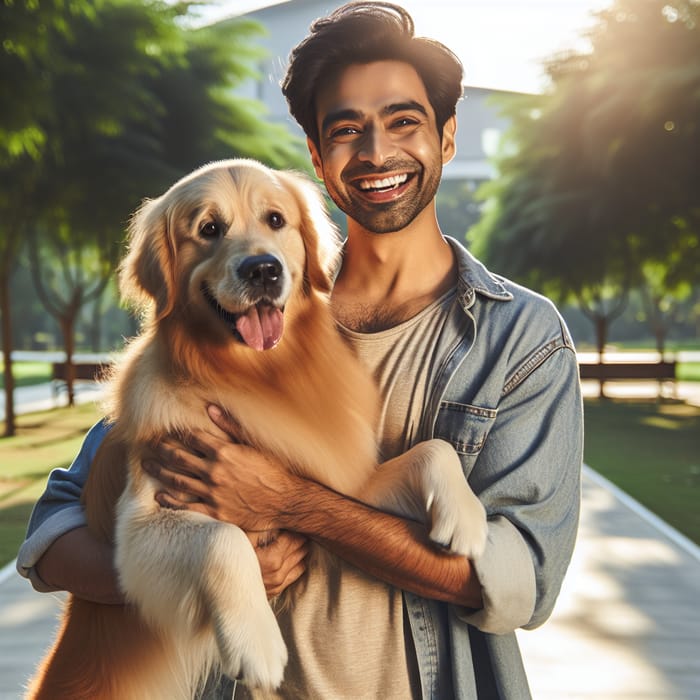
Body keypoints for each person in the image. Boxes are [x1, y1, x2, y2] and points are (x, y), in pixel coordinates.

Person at [17, 2, 583, 698]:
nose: (377, 152)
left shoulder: (521, 340)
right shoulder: (215, 334)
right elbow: (56, 529)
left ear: (448, 135)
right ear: (318, 154)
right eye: (347, 129)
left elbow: (517, 585)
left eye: (403, 121)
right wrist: (194, 580)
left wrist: (288, 501)